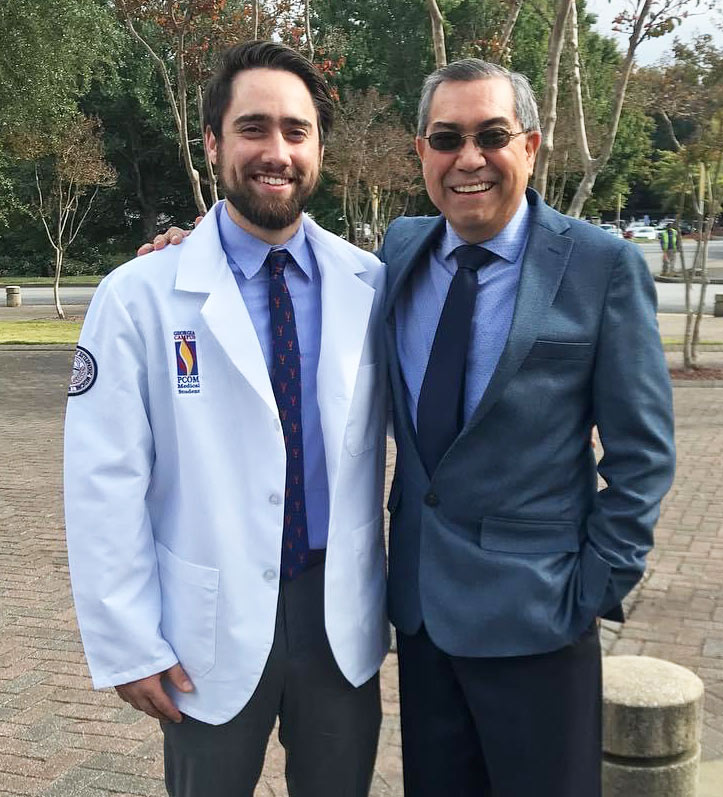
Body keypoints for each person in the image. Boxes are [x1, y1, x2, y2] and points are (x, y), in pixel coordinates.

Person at [146, 57, 675, 797]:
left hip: (539, 616)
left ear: (530, 144)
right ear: (420, 153)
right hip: (420, 621)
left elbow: (643, 453)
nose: (468, 158)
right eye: (446, 137)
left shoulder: (599, 265)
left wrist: (594, 584)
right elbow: (270, 243)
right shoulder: (395, 256)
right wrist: (189, 245)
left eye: (491, 135)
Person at [64, 41, 389, 797]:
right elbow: (102, 479)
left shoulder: (369, 284)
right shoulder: (139, 295)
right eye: (252, 128)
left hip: (338, 615)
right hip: (201, 629)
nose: (275, 151)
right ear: (212, 143)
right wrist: (127, 641)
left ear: (317, 149)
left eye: (295, 131)